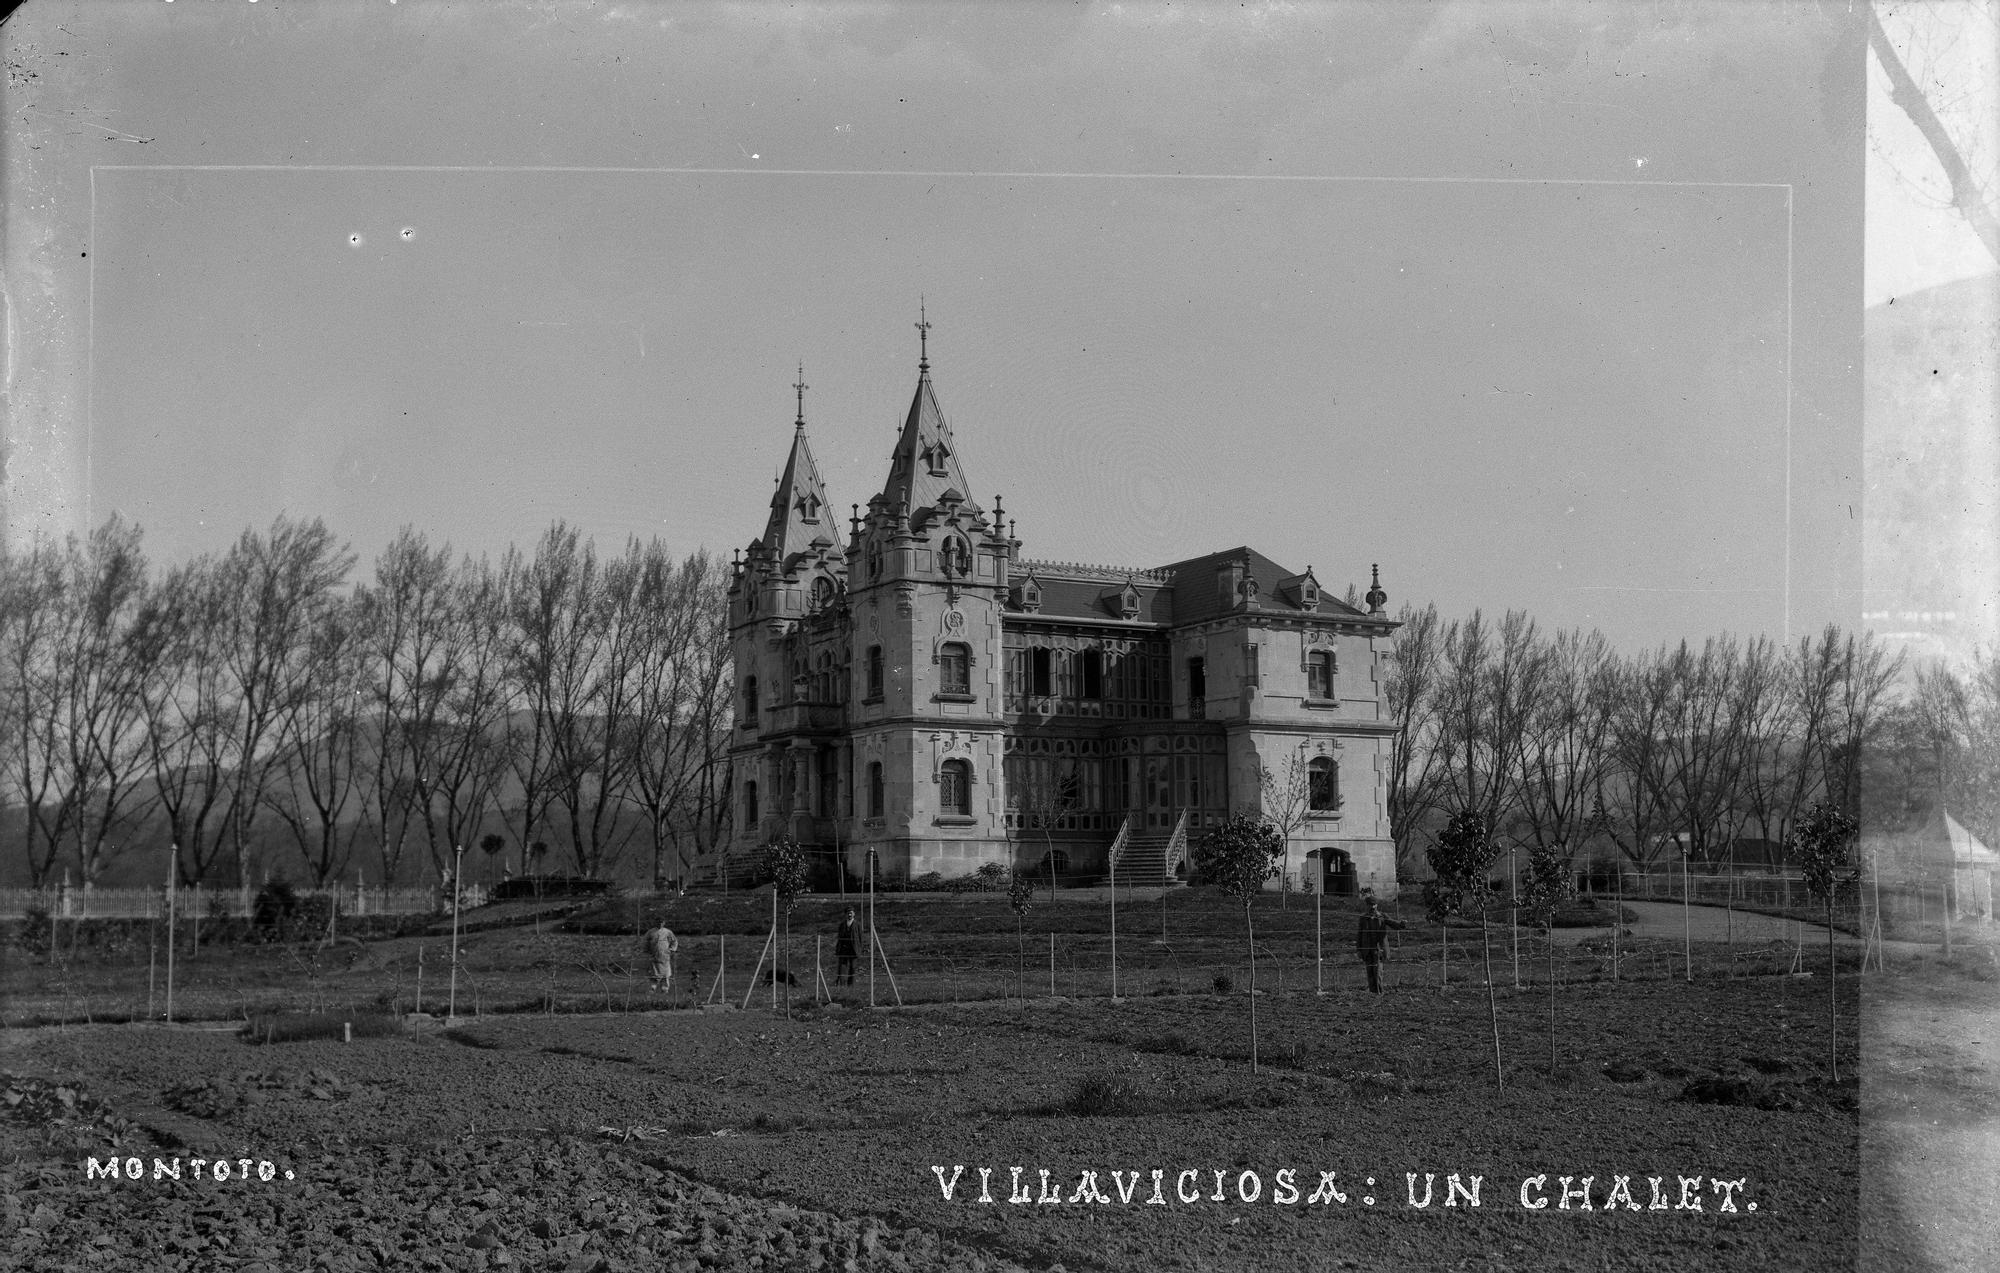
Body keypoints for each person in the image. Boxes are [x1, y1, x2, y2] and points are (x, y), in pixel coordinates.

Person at [1356, 895, 1405, 994]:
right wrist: (1359, 949)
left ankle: (1379, 994)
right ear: (1367, 905)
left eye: (1374, 904)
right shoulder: (1363, 918)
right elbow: (1359, 934)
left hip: (1379, 950)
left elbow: (1393, 924)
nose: (1373, 907)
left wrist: (1401, 924)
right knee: (1370, 973)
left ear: (1377, 905)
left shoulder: (1382, 916)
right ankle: (1372, 995)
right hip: (1367, 950)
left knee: (1378, 973)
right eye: (1370, 905)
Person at [643, 917, 680, 995]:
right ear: (655, 922)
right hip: (654, 955)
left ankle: (665, 989)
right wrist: (646, 951)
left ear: (664, 923)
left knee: (665, 974)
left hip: (665, 956)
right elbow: (645, 942)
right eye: (658, 922)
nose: (660, 923)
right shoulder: (651, 932)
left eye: (661, 922)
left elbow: (674, 941)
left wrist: (671, 950)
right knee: (654, 973)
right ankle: (652, 988)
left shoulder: (668, 932)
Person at [834, 908, 860, 986]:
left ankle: (851, 984)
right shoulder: (842, 925)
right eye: (848, 913)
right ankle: (842, 983)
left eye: (851, 913)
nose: (849, 915)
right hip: (844, 948)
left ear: (854, 914)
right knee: (842, 966)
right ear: (845, 915)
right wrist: (838, 948)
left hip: (853, 949)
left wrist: (859, 949)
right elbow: (839, 937)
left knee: (853, 967)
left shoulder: (857, 925)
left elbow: (860, 938)